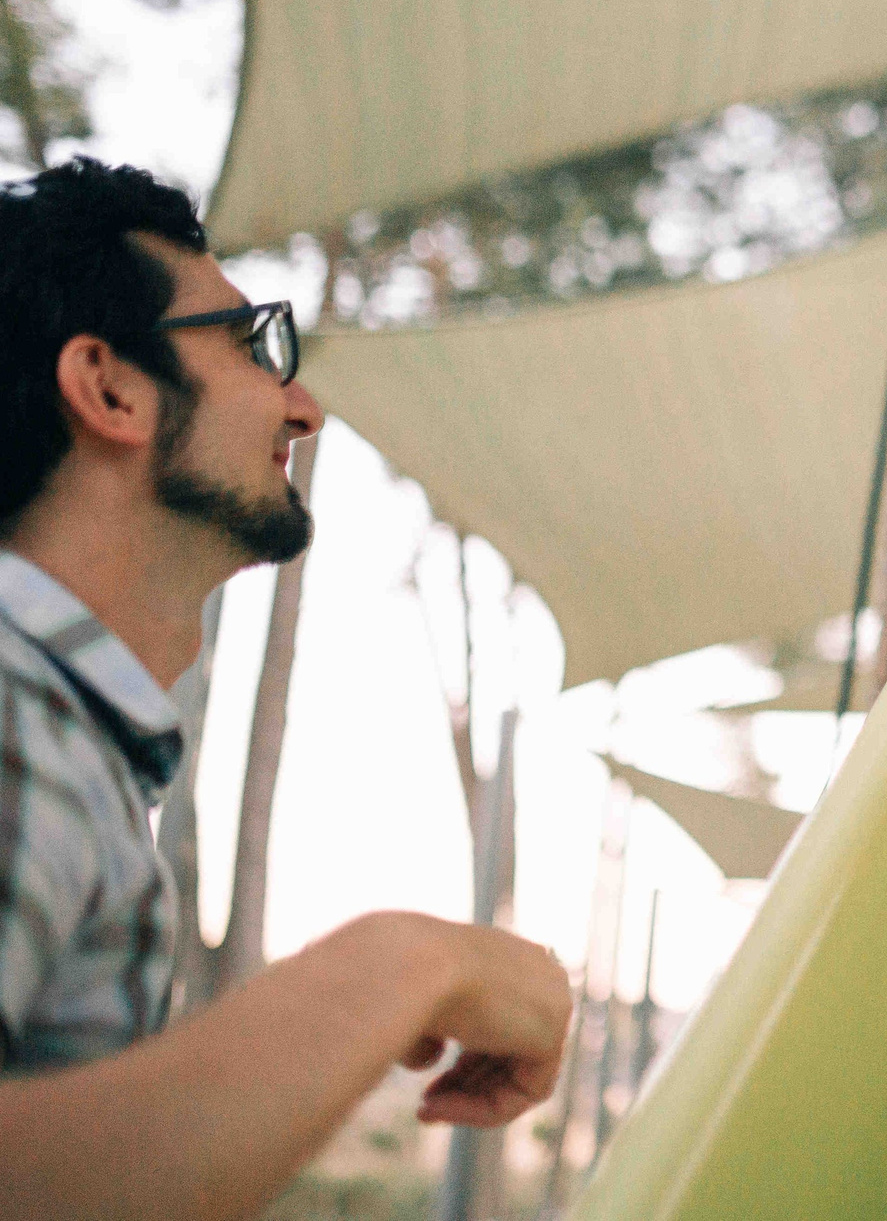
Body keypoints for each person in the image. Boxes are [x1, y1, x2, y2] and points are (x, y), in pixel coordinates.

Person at [0, 159, 572, 1221]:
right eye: (254, 344)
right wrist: (407, 965)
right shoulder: (13, 706)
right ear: (113, 388)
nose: (301, 408)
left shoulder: (67, 738)